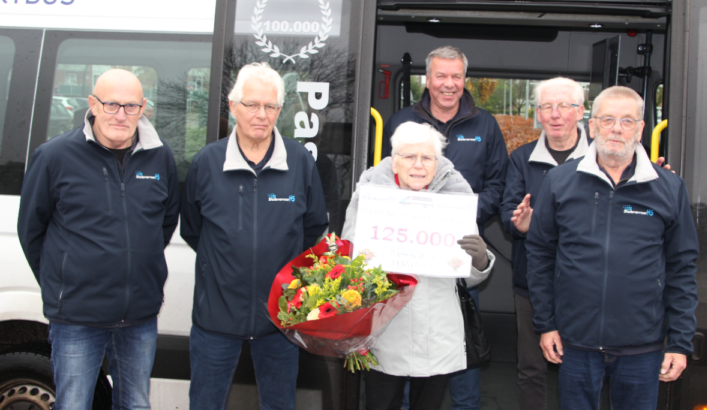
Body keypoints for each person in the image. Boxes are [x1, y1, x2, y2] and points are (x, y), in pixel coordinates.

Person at [526, 86, 699, 410]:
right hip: (575, 343)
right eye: (607, 120)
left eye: (627, 121)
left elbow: (682, 267)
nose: (617, 128)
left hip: (642, 348)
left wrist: (679, 342)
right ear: (591, 126)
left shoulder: (669, 188)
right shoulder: (560, 181)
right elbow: (540, 254)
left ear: (641, 129)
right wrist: (546, 323)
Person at [18, 69, 180, 409]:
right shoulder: (54, 157)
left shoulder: (160, 156)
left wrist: (137, 264)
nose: (121, 115)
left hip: (139, 314)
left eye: (131, 106)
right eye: (111, 104)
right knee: (74, 404)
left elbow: (164, 223)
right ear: (92, 104)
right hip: (77, 316)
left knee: (135, 404)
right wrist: (63, 283)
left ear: (143, 108)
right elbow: (31, 230)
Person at [180, 62, 328, 410]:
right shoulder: (206, 162)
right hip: (215, 319)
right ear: (233, 107)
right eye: (251, 105)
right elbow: (192, 228)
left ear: (280, 110)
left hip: (279, 320)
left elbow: (312, 229)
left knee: (279, 405)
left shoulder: (300, 162)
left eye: (270, 106)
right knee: (205, 404)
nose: (261, 114)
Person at [380, 46, 508, 409]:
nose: (448, 85)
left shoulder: (486, 124)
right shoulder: (402, 121)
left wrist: (460, 217)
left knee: (460, 339)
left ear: (464, 80)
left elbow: (499, 185)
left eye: (455, 76)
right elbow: (385, 180)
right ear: (427, 79)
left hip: (457, 253)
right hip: (405, 253)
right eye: (441, 76)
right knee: (402, 340)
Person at [342, 121, 495, 410]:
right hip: (385, 330)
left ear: (437, 164)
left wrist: (480, 261)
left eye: (427, 158)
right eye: (409, 156)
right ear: (394, 161)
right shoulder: (370, 195)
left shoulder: (456, 198)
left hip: (437, 330)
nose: (418, 165)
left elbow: (466, 276)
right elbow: (349, 258)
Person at [499, 77, 590, 410]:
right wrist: (520, 224)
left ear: (580, 111)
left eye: (564, 106)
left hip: (588, 285)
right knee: (532, 367)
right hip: (532, 284)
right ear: (538, 113)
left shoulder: (602, 155)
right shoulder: (522, 158)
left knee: (584, 369)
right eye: (547, 107)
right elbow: (510, 210)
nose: (555, 114)